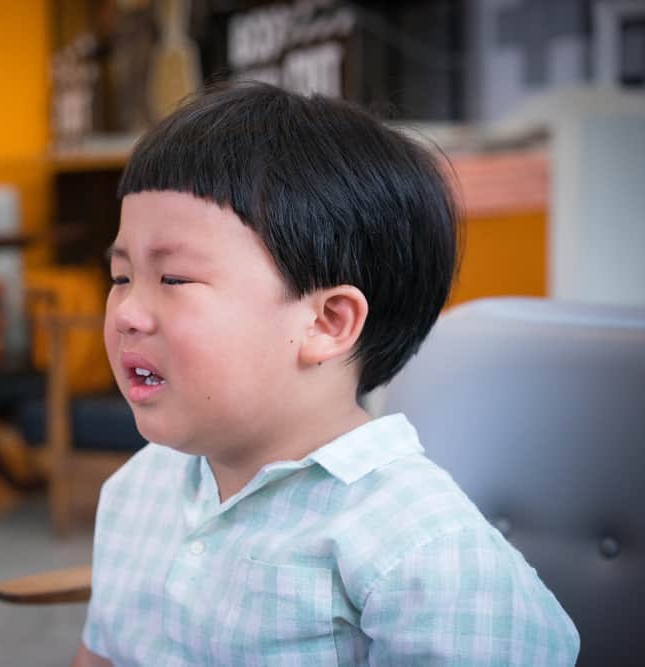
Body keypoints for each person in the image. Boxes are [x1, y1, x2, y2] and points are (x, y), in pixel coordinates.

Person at [73, 83, 579, 666]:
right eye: (120, 277)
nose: (128, 313)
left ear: (327, 322)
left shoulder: (420, 545)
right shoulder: (141, 487)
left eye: (174, 280)